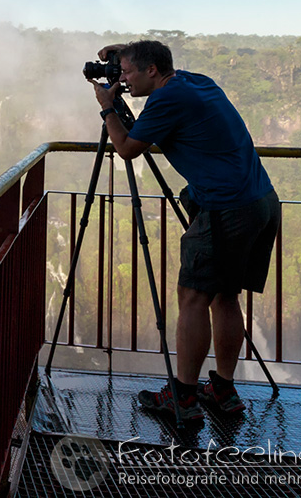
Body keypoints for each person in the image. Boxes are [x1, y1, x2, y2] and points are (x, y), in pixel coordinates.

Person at [90, 39, 280, 422]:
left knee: (192, 297)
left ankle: (184, 398)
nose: (123, 79)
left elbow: (126, 148)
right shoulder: (195, 81)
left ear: (152, 71)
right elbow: (153, 58)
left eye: (127, 72)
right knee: (225, 295)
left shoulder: (165, 100)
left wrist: (107, 107)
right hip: (261, 202)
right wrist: (126, 50)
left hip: (225, 209)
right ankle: (222, 390)